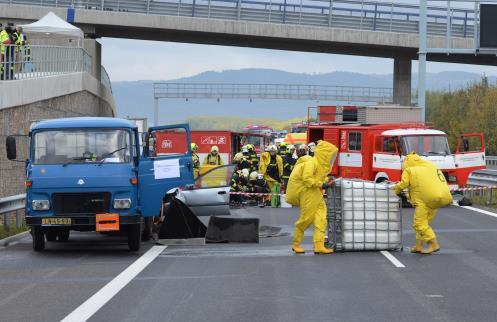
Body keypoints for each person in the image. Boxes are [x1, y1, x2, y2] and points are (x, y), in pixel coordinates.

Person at [394, 152, 452, 254]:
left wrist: (395, 190)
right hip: (436, 200)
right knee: (424, 224)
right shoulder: (430, 165)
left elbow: (403, 184)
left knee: (419, 224)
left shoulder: (409, 170)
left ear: (407, 162)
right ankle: (418, 246)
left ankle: (433, 243)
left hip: (423, 202)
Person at [285, 140, 338, 254]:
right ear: (324, 155)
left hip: (316, 193)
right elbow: (307, 179)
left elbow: (318, 178)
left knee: (321, 219)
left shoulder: (319, 166)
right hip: (307, 193)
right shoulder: (311, 163)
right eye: (330, 155)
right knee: (306, 219)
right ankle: (296, 244)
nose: (331, 159)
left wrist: (327, 181)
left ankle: (319, 245)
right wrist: (322, 184)